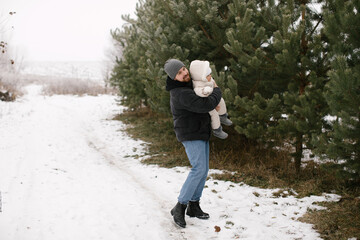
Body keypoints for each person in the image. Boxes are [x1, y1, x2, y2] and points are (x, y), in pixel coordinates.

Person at [164, 58, 222, 228]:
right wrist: (217, 90)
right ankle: (180, 206)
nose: (184, 73)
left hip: (200, 131)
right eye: (179, 73)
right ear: (174, 78)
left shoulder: (187, 86)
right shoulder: (180, 93)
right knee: (198, 169)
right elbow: (205, 104)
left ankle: (194, 206)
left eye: (183, 69)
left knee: (203, 170)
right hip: (190, 133)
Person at [189, 60, 232, 139]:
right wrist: (205, 91)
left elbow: (213, 84)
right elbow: (198, 91)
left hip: (212, 98)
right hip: (206, 103)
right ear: (201, 76)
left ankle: (223, 116)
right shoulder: (197, 84)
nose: (210, 76)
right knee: (214, 114)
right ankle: (217, 130)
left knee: (221, 100)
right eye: (208, 75)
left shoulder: (209, 79)